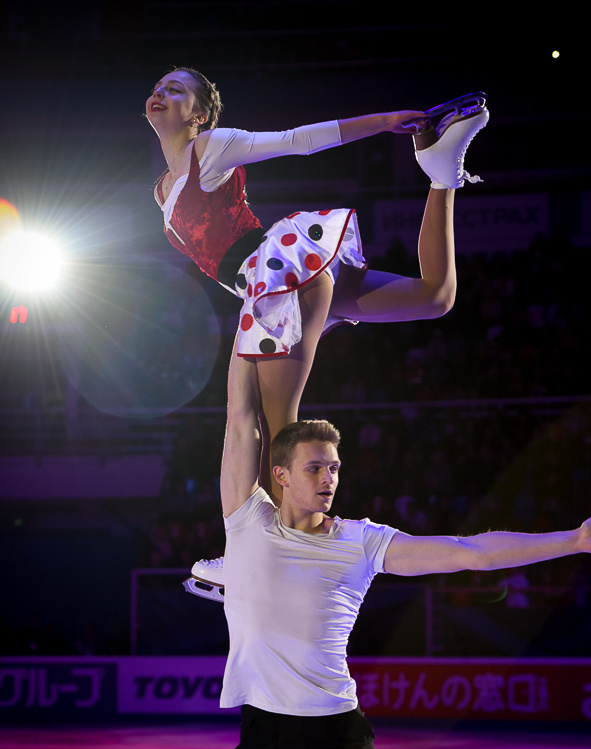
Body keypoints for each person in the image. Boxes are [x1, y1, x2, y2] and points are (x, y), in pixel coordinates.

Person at [206, 335, 591, 749]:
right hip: (266, 739)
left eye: (335, 468)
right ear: (281, 474)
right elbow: (240, 418)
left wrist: (572, 541)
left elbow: (471, 552)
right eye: (315, 467)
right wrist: (250, 322)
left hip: (340, 737)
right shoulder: (247, 523)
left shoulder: (362, 543)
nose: (329, 478)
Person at [145, 67, 488, 499]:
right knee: (435, 296)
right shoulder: (161, 190)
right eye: (158, 87)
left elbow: (297, 140)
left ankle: (282, 551)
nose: (161, 93)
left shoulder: (210, 147)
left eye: (175, 90)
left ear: (198, 116)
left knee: (277, 431)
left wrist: (383, 122)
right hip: (279, 279)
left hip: (278, 273)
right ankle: (442, 173)